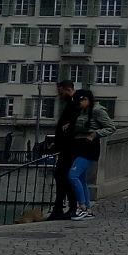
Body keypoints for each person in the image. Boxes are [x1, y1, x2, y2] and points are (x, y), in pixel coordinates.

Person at [65, 90, 115, 220]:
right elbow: (81, 123)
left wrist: (95, 134)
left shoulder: (98, 110)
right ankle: (87, 208)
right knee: (81, 179)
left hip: (88, 147)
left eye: (79, 101)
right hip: (79, 146)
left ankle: (82, 207)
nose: (78, 104)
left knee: (73, 175)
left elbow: (111, 127)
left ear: (86, 99)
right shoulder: (83, 110)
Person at [46, 80, 79, 220]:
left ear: (67, 89)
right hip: (66, 147)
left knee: (64, 177)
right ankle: (60, 207)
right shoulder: (72, 103)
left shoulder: (75, 103)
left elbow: (76, 124)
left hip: (70, 148)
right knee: (62, 176)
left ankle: (68, 208)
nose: (59, 94)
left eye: (60, 91)